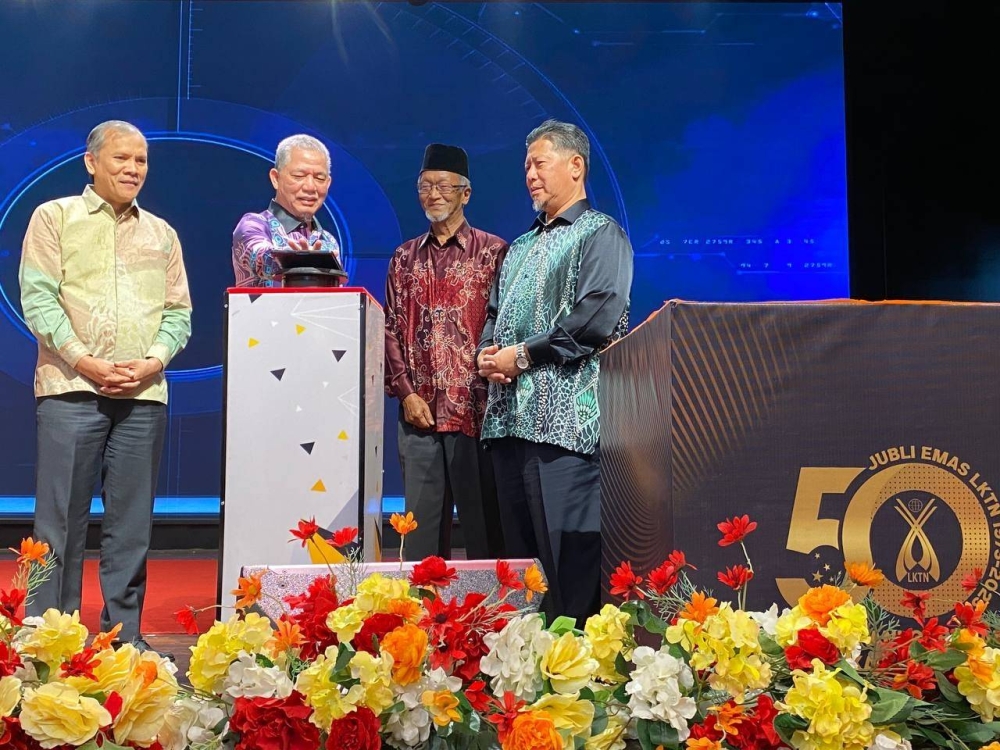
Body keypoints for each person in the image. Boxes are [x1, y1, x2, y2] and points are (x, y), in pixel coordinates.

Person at [19, 120, 192, 651]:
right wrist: (84, 360)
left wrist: (153, 362)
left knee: (132, 525)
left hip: (143, 394)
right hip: (70, 387)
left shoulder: (162, 233)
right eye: (121, 158)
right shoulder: (55, 217)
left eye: (141, 160)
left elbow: (179, 313)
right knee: (59, 523)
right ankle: (51, 640)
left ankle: (124, 636)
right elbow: (39, 298)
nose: (133, 169)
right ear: (91, 162)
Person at [478, 120, 633, 624]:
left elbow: (595, 317)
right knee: (522, 577)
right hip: (508, 426)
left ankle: (577, 664)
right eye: (526, 165)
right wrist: (486, 354)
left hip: (565, 431)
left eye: (539, 163)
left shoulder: (601, 233)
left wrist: (521, 356)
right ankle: (527, 664)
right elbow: (494, 316)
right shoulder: (519, 247)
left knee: (568, 569)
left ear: (576, 166)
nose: (530, 174)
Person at [385, 144, 507, 561]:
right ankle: (420, 604)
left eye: (443, 186)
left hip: (477, 413)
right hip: (418, 414)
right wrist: (406, 393)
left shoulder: (494, 252)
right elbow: (390, 329)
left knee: (485, 532)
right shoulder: (403, 258)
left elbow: (504, 323)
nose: (433, 194)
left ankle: (492, 605)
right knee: (419, 539)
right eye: (425, 186)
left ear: (465, 193)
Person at [232, 134, 341, 287]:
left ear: (328, 184)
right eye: (299, 176)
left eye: (319, 178)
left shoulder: (328, 241)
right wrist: (294, 260)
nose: (310, 187)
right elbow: (261, 257)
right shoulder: (254, 225)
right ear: (275, 178)